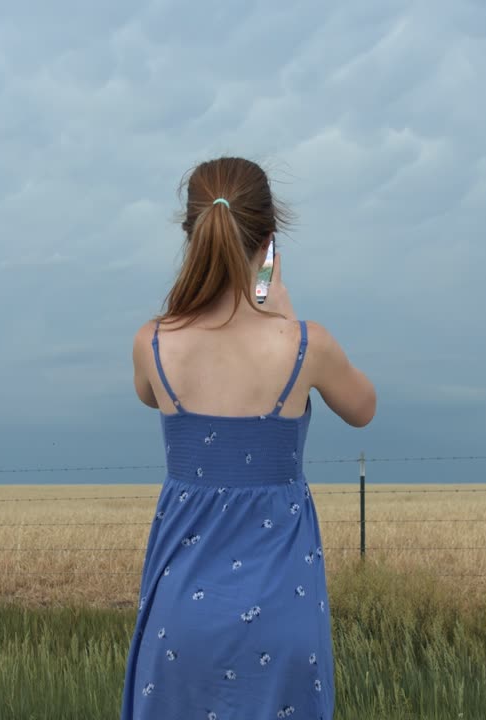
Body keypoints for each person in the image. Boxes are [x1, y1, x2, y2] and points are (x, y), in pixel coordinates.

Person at [120, 156, 376, 720]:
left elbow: (147, 394)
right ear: (269, 244)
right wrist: (282, 315)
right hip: (283, 613)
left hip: (179, 617)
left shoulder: (152, 343)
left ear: (192, 238)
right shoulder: (307, 344)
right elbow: (364, 409)